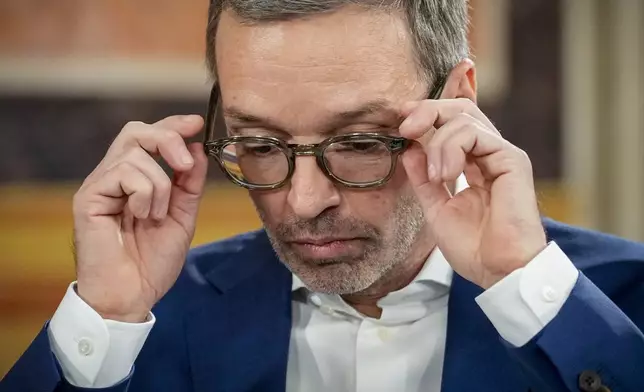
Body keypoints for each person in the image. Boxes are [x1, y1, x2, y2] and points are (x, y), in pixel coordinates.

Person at [2, 0, 644, 391]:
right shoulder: (143, 323)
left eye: (360, 140)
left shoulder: (619, 307)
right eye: (258, 141)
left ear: (459, 101)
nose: (304, 202)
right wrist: (104, 318)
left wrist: (526, 290)